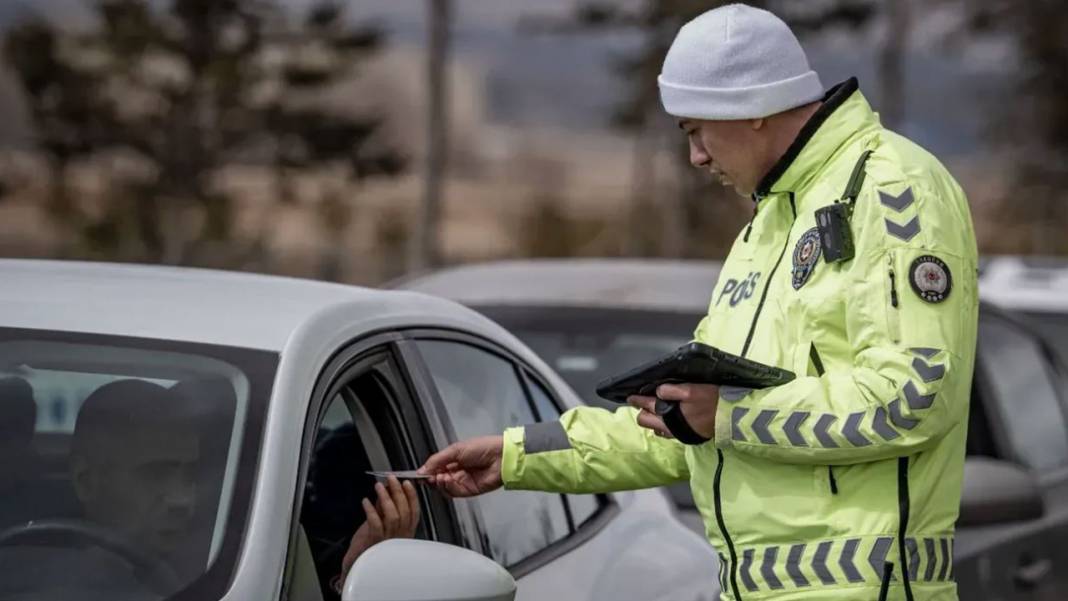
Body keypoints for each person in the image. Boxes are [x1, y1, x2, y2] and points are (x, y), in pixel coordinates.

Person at [420, 4, 978, 601]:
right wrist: (514, 457)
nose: (698, 158)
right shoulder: (767, 228)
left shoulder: (894, 189)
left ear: (752, 107)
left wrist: (732, 416)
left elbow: (914, 396)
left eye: (695, 130)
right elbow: (685, 427)